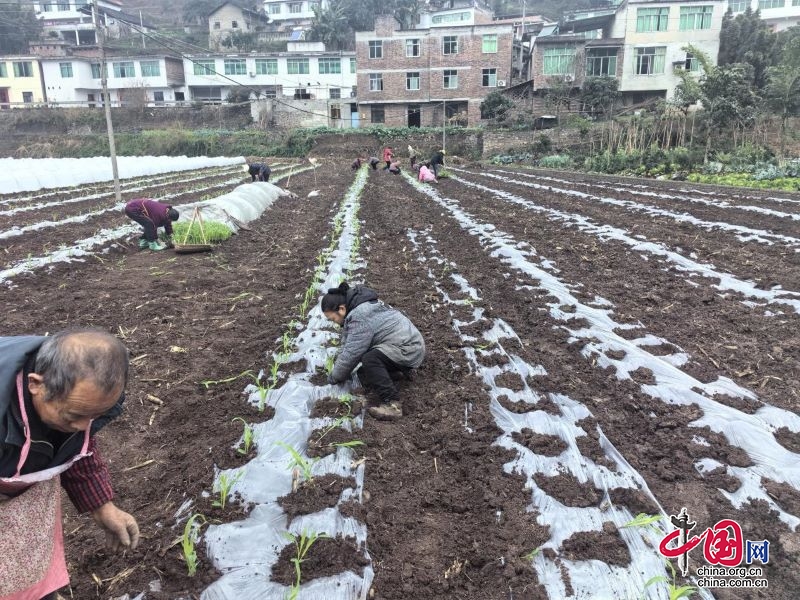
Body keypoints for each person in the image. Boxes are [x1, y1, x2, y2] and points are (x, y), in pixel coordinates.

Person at [0, 330, 140, 599]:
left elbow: (77, 449)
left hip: (23, 506)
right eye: (75, 415)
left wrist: (102, 506)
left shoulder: (78, 406)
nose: (83, 426)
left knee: (27, 572)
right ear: (35, 384)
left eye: (95, 415)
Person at [322, 282, 425, 421]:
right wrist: (338, 364)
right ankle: (397, 373)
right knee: (364, 371)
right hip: (406, 344)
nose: (334, 322)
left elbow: (351, 354)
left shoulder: (360, 316)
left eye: (332, 319)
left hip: (408, 348)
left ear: (341, 309)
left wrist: (334, 377)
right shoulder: (358, 308)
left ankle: (392, 404)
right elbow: (347, 343)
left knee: (370, 359)